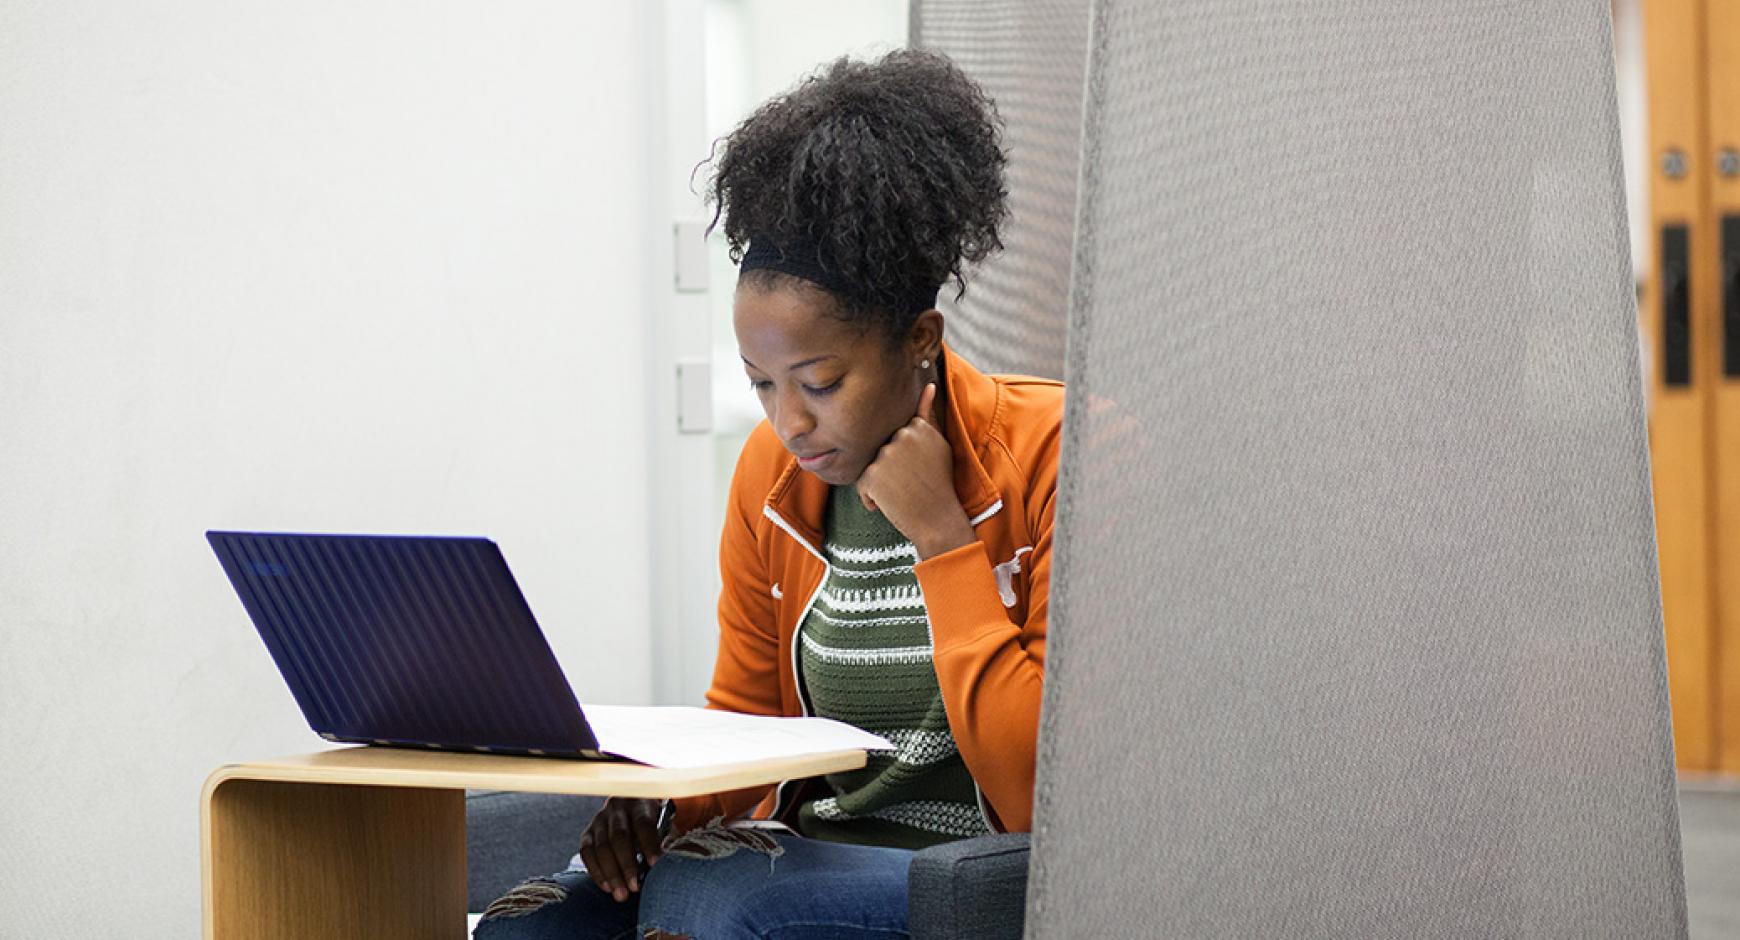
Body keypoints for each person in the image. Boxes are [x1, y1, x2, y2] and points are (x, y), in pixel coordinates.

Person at [476, 48, 1060, 940]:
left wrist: (943, 540)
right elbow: (746, 729)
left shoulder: (1053, 454)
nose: (788, 422)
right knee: (534, 925)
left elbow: (1046, 792)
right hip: (801, 853)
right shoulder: (773, 478)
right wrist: (665, 811)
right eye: (760, 384)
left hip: (968, 876)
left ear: (919, 340)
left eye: (819, 382)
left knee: (716, 898)